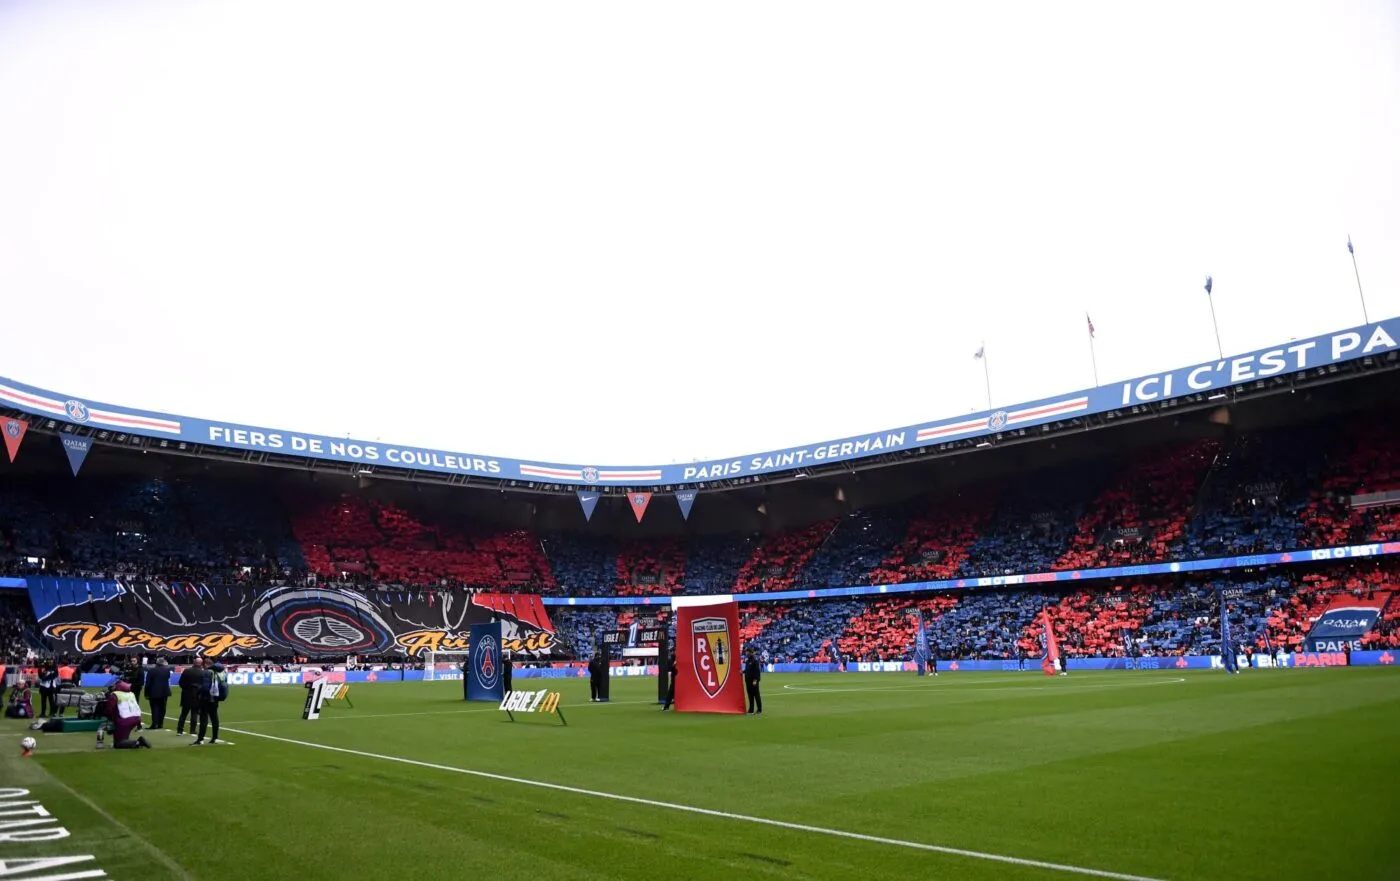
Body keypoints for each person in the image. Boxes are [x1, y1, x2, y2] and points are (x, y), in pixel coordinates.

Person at [100, 681, 150, 750]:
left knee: (118, 744)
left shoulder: (116, 695)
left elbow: (109, 709)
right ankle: (131, 741)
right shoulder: (131, 694)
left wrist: (104, 714)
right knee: (122, 737)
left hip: (123, 721)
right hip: (135, 719)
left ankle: (138, 742)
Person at [193, 662, 229, 746]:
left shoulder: (207, 673)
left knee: (203, 719)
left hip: (206, 699)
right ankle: (215, 738)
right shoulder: (221, 673)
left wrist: (199, 691)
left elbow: (205, 688)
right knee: (214, 718)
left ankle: (200, 739)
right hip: (216, 699)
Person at [176, 658, 206, 736]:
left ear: (194, 662)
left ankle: (179, 730)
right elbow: (204, 686)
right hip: (197, 696)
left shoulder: (187, 671)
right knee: (194, 713)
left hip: (186, 695)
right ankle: (192, 730)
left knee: (183, 713)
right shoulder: (203, 673)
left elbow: (180, 683)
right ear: (201, 663)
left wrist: (187, 689)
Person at [145, 658, 172, 730]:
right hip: (164, 692)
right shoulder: (167, 671)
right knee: (162, 708)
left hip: (154, 692)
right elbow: (168, 678)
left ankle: (155, 724)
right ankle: (160, 723)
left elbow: (147, 683)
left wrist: (146, 693)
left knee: (154, 708)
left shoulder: (151, 671)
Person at [744, 650, 762, 715]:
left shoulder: (755, 661)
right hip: (748, 682)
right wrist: (743, 672)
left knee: (756, 695)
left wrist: (756, 680)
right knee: (750, 696)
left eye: (748, 652)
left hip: (753, 682)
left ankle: (759, 710)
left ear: (751, 653)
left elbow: (757, 672)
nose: (746, 653)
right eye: (746, 652)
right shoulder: (747, 661)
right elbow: (747, 670)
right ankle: (751, 709)